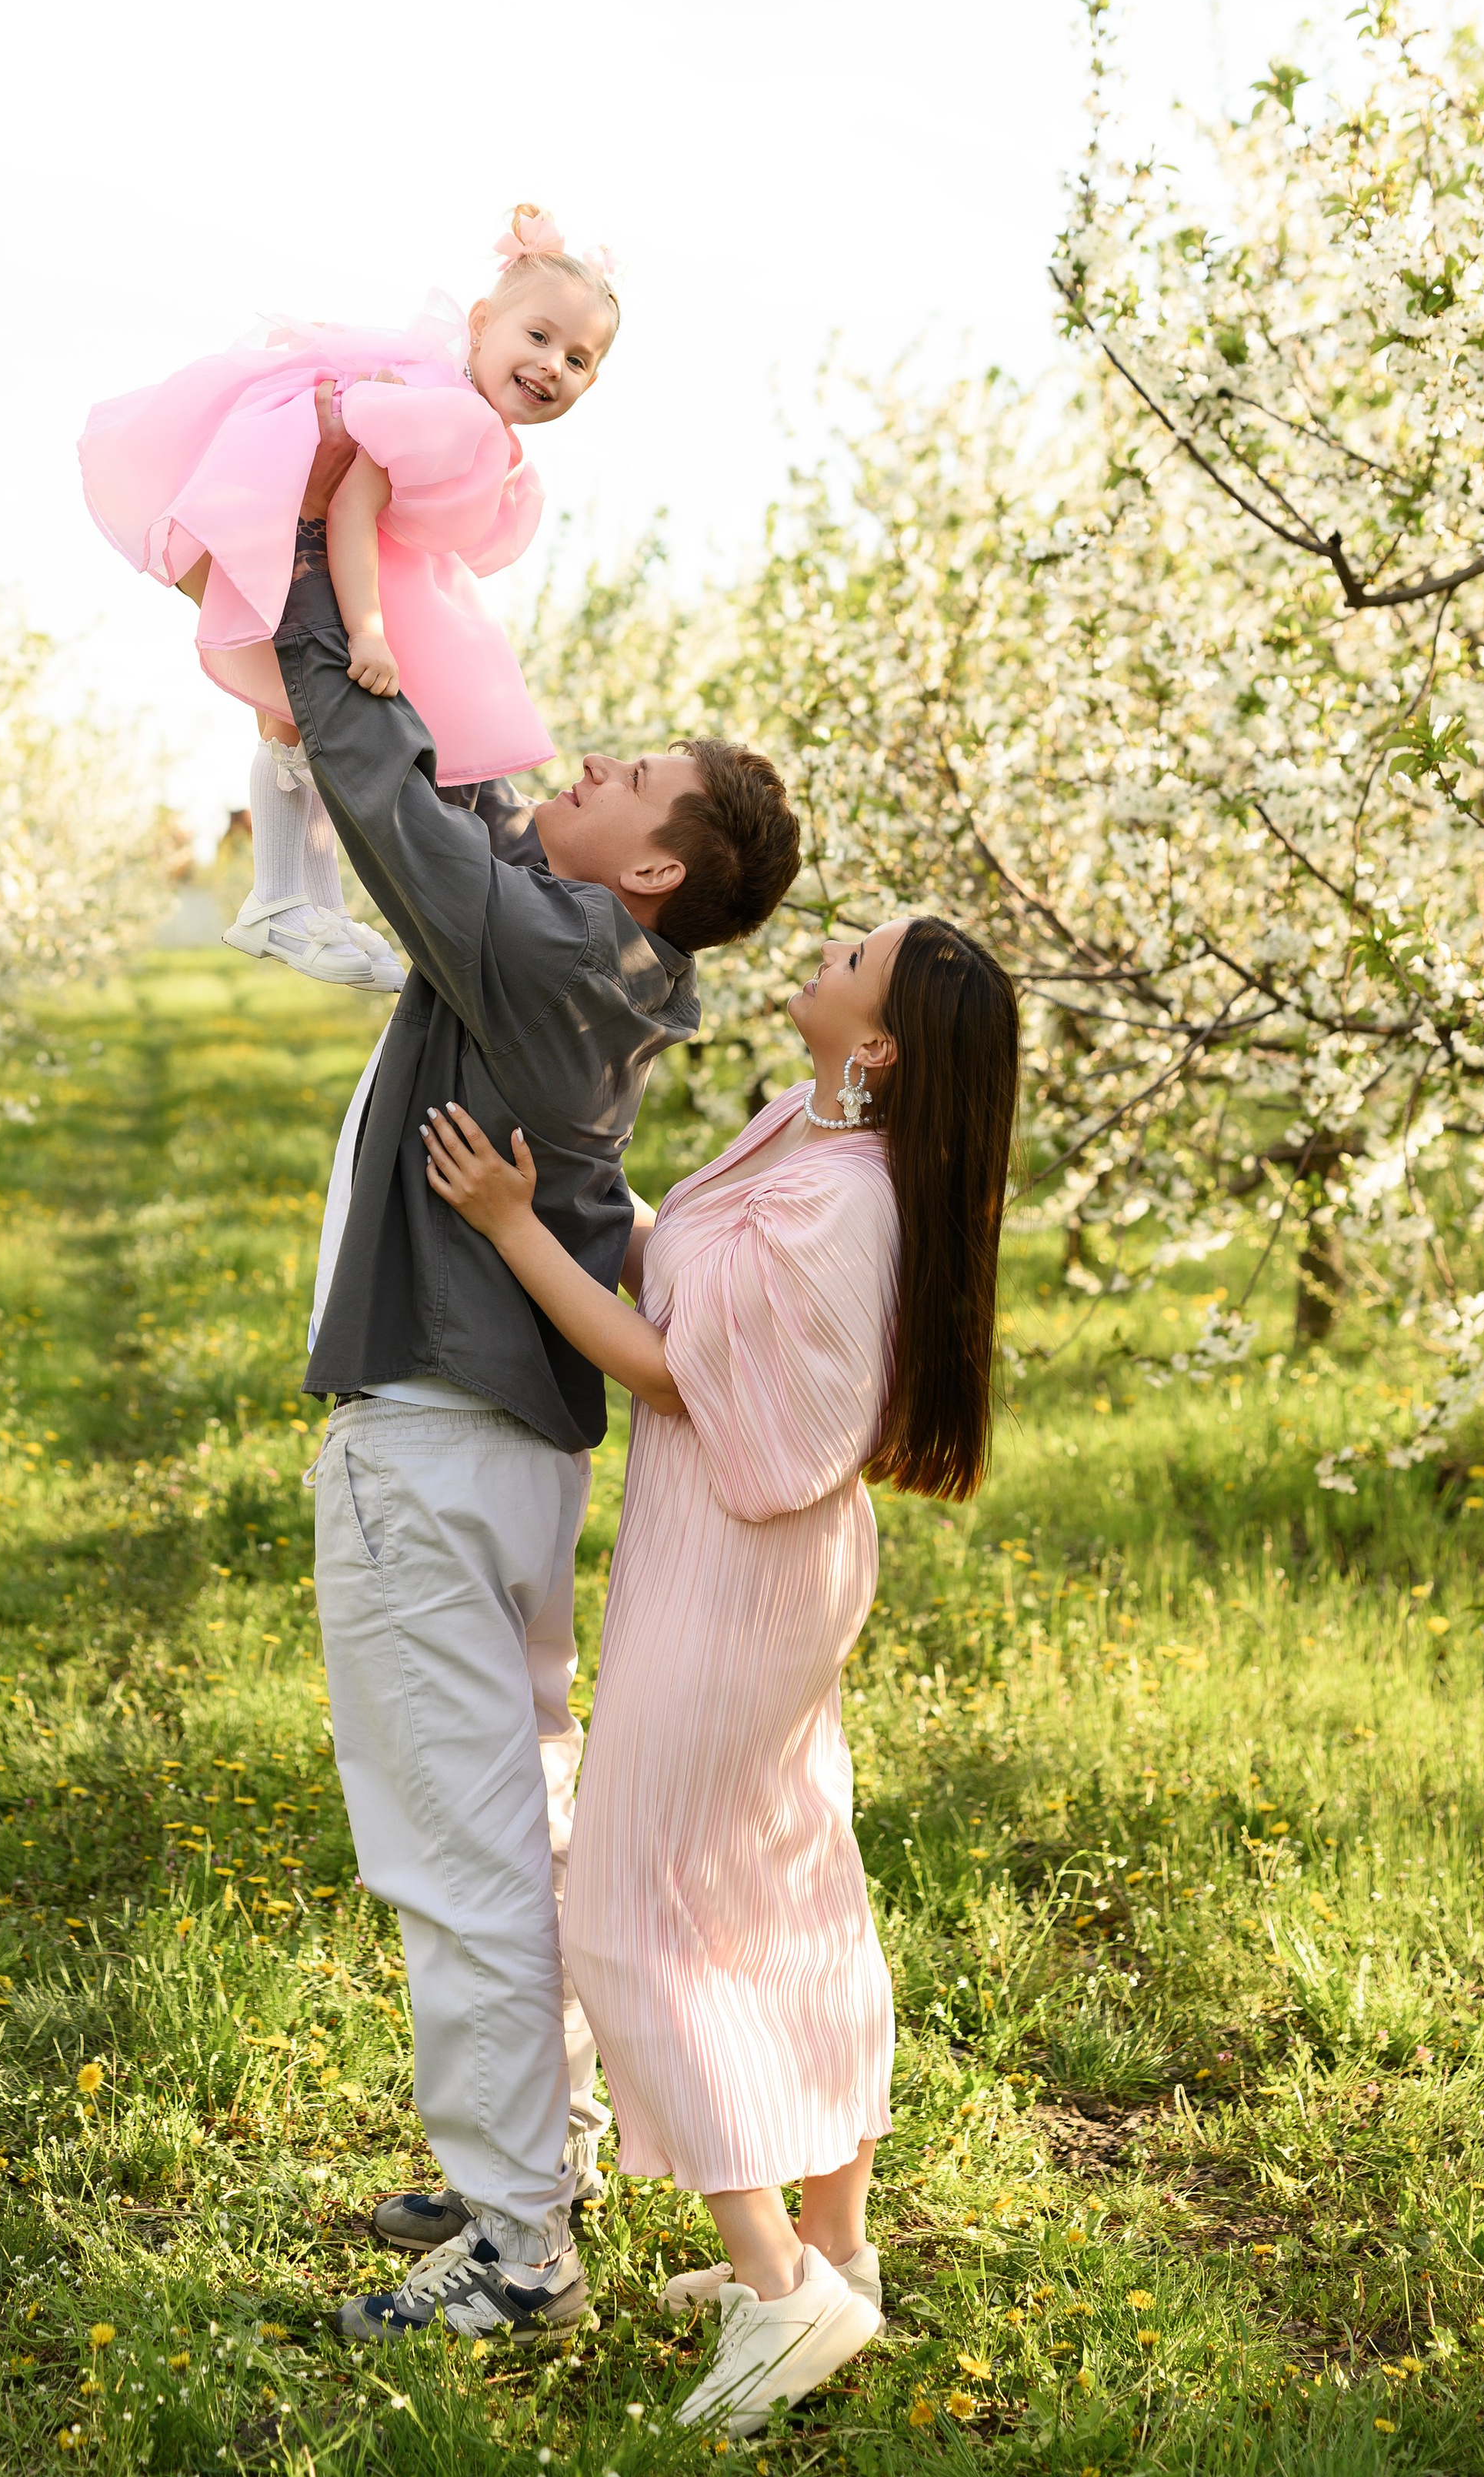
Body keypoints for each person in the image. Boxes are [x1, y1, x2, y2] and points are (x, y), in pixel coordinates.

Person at [262, 385, 802, 2347]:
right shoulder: (600, 957)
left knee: (453, 1841)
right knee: (514, 1808)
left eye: (623, 775)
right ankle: (532, 2154)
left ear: (648, 869)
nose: (577, 764)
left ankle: (513, 2250)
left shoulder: (553, 956)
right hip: (495, 1441)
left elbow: (381, 774)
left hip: (426, 1442)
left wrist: (310, 530)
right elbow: (464, 801)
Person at [422, 913, 1019, 2434]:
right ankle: (834, 2244)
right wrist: (564, 1176)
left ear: (875, 1048)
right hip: (735, 1553)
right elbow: (675, 1261)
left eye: (849, 961)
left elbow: (666, 1366)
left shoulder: (844, 1203)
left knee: (628, 1903)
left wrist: (507, 1228)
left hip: (738, 1567)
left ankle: (777, 2292)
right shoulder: (801, 1136)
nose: (819, 957)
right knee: (779, 1882)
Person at [79, 204, 617, 993]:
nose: (551, 366)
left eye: (577, 359)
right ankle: (278, 895)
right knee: (302, 722)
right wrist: (368, 631)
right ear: (479, 325)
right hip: (296, 527)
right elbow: (355, 506)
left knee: (310, 727)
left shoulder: (469, 419)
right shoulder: (443, 409)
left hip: (326, 542)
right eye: (537, 337)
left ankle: (311, 902)